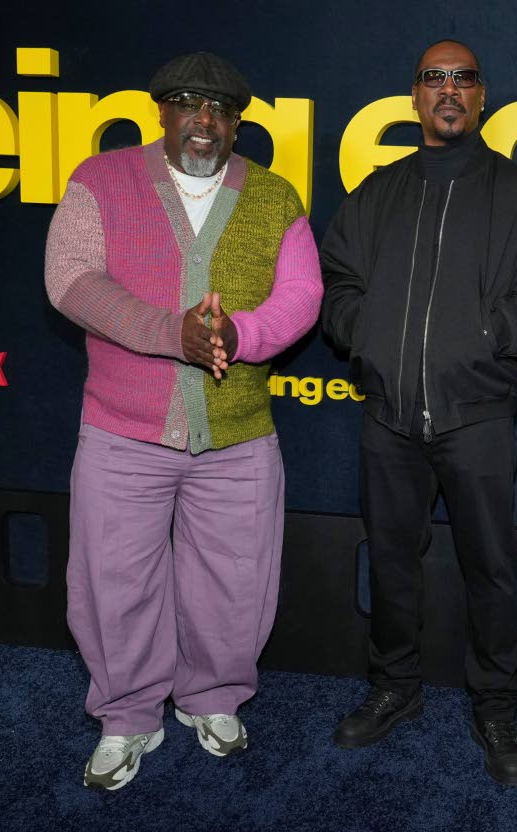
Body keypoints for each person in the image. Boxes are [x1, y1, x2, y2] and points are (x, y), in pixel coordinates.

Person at [44, 50, 322, 790]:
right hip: (122, 431)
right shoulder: (100, 179)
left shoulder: (275, 195)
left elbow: (302, 295)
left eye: (221, 109)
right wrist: (175, 334)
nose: (205, 119)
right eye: (190, 103)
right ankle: (127, 715)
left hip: (239, 434)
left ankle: (214, 697)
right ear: (162, 110)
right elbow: (70, 278)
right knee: (114, 581)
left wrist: (240, 335)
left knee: (235, 580)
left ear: (237, 123)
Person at [319, 39, 517, 786]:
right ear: (415, 95)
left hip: (477, 419)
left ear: (481, 96)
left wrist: (483, 332)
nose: (448, 90)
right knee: (390, 561)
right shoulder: (377, 193)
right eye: (434, 78)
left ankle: (495, 705)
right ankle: (394, 687)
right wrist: (369, 331)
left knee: (491, 569)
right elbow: (335, 287)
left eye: (463, 79)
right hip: (389, 420)